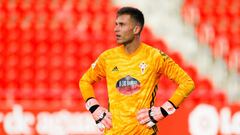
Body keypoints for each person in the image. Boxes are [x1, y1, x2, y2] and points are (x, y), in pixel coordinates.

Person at [79, 6, 195, 135]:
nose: (116, 29)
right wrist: (93, 107)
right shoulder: (107, 57)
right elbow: (85, 81)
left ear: (136, 29)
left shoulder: (155, 57)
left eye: (122, 25)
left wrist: (164, 110)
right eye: (116, 24)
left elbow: (187, 83)